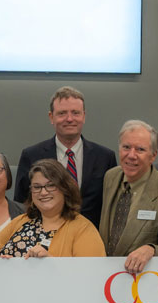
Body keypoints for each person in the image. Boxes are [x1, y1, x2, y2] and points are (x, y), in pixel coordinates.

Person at [13, 86, 117, 226]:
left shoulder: (105, 157)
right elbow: (22, 204)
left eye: (75, 113)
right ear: (51, 117)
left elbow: (111, 206)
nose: (69, 119)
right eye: (62, 113)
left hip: (91, 238)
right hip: (44, 237)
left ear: (84, 116)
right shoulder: (31, 156)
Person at [98, 120, 158, 274]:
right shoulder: (111, 177)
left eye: (140, 149)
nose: (131, 155)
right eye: (126, 147)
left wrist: (151, 250)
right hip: (105, 278)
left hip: (143, 284)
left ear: (153, 155)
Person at [0, 159, 104, 258]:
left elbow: (90, 275)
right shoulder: (22, 220)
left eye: (50, 186)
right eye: (37, 187)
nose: (43, 192)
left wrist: (49, 262)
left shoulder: (83, 229)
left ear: (65, 189)